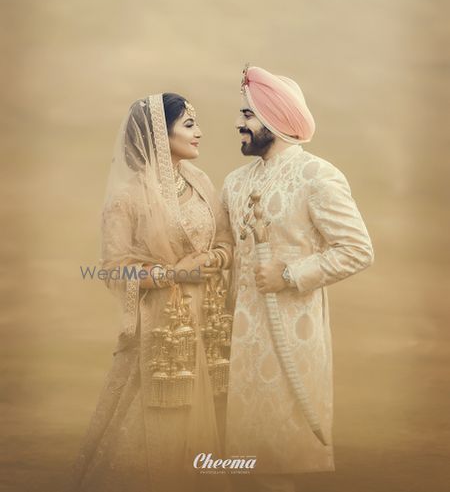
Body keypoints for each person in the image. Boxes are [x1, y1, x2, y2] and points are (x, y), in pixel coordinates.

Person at [70, 93, 233, 492]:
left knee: (205, 411)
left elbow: (227, 244)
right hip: (161, 320)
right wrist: (170, 275)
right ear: (160, 135)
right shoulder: (126, 198)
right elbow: (112, 269)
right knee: (157, 414)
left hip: (207, 316)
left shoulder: (201, 183)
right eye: (189, 125)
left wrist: (210, 262)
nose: (200, 133)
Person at [222, 66, 374, 492]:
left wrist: (289, 274)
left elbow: (357, 250)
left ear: (274, 120)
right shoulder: (234, 183)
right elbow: (223, 254)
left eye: (248, 115)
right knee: (240, 469)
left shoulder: (317, 175)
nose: (238, 123)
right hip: (238, 341)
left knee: (278, 468)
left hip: (292, 335)